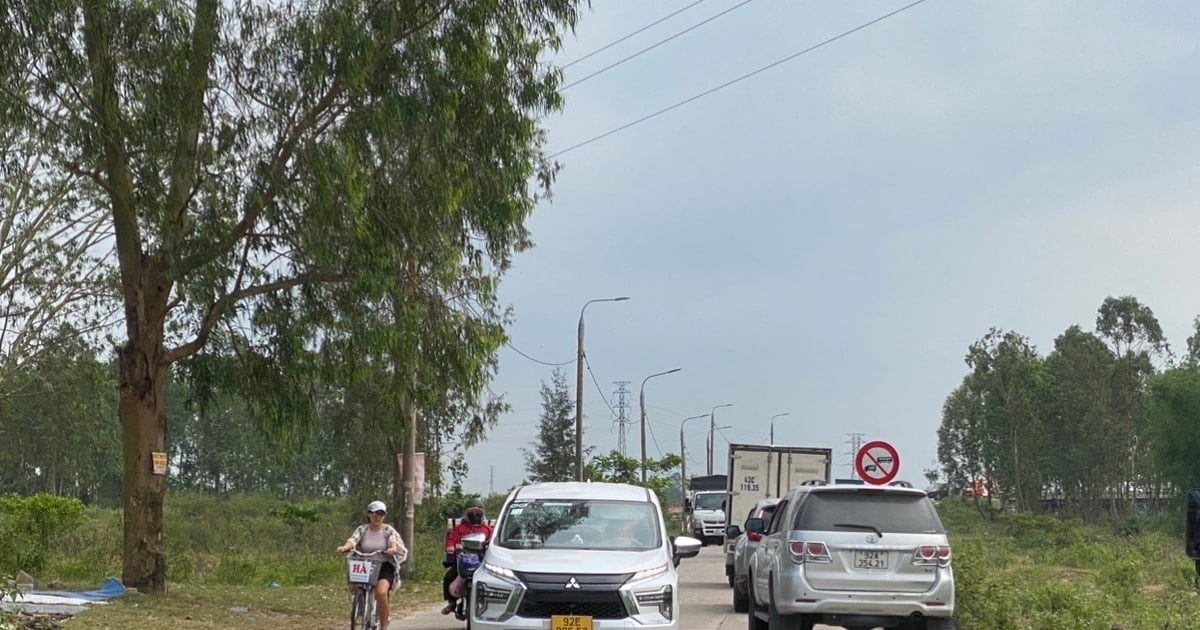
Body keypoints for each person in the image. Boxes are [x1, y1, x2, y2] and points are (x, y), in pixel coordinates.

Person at [337, 500, 408, 630]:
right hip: (364, 565)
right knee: (356, 585)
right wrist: (345, 547)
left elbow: (393, 542)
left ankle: (383, 625)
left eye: (380, 514)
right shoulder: (362, 529)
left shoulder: (388, 530)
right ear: (369, 514)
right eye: (374, 513)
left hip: (383, 566)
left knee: (381, 593)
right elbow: (353, 540)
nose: (377, 517)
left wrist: (392, 549)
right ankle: (360, 608)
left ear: (384, 516)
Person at [442, 497, 493, 615]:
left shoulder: (487, 529)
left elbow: (492, 541)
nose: (474, 515)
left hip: (481, 563)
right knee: (448, 578)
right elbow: (451, 541)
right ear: (466, 514)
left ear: (482, 514)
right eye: (471, 513)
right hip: (462, 563)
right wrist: (452, 547)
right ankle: (451, 602)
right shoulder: (460, 529)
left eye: (478, 513)